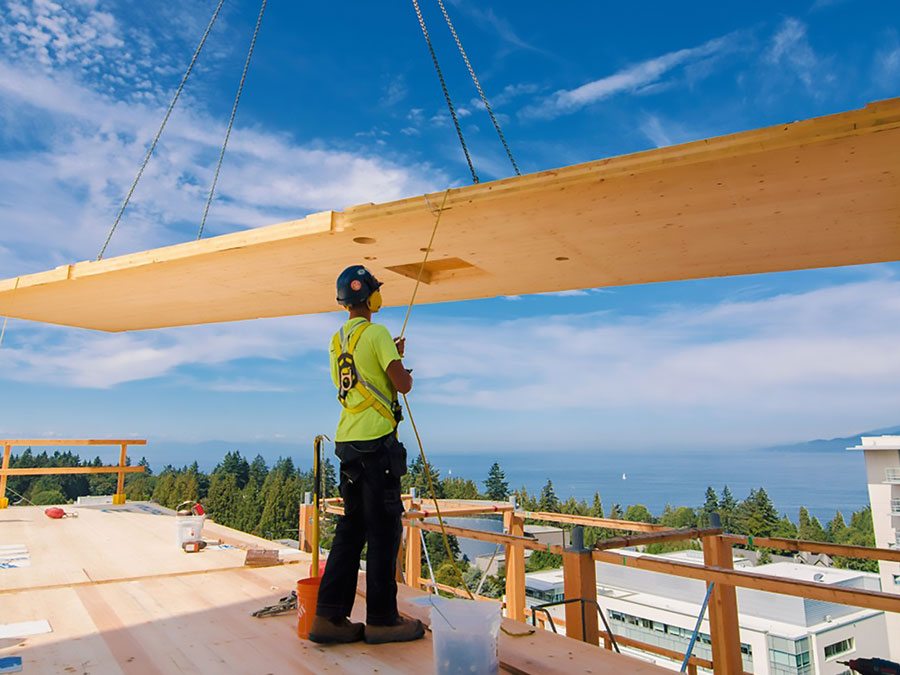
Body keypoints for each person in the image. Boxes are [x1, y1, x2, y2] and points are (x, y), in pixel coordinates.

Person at [309, 265, 425, 645]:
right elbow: (403, 385)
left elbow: (353, 381)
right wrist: (397, 362)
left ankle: (328, 617)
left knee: (352, 529)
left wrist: (388, 354)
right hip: (377, 445)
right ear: (370, 297)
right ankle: (382, 620)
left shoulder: (337, 339)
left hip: (348, 443)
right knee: (384, 530)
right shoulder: (377, 334)